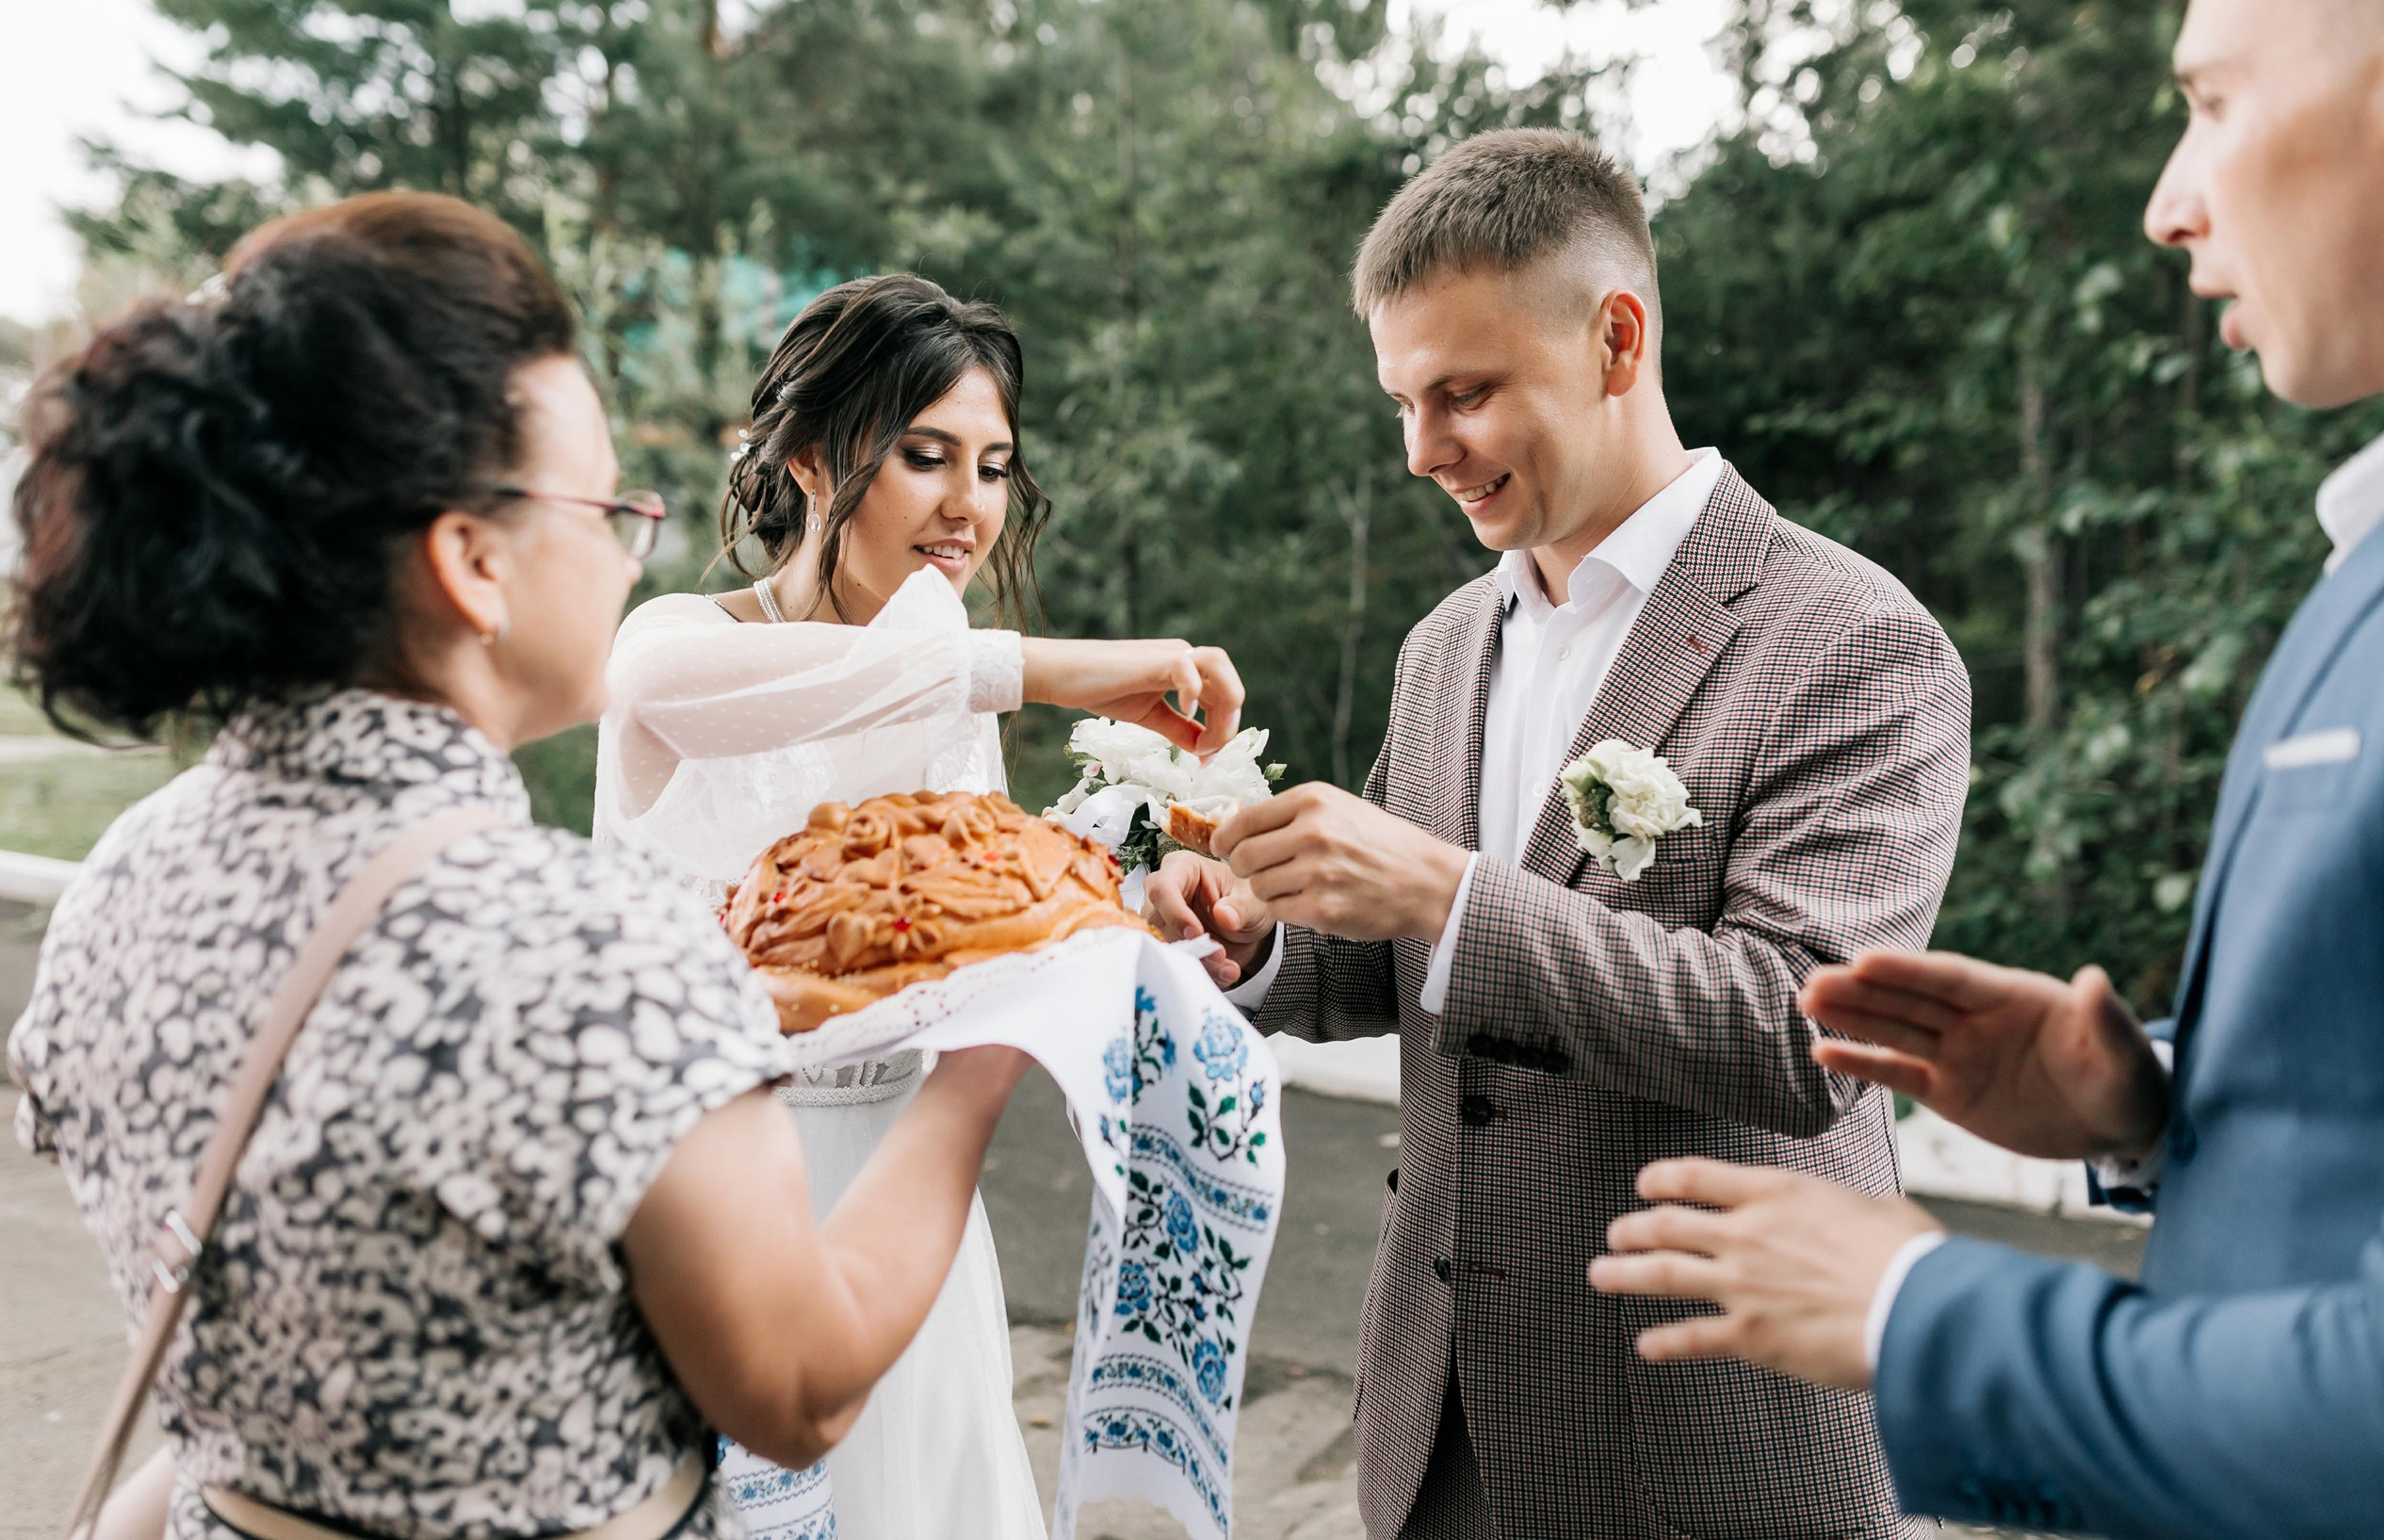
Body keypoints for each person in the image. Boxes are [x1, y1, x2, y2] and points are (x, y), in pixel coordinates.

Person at [5, 193, 1037, 1540]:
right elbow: (798, 1383)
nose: (628, 552)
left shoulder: (121, 880)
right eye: (610, 508)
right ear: (470, 562)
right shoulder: (583, 946)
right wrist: (986, 1064)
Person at [1585, 0, 2384, 1533]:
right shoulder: (2370, 558)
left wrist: (1912, 1312)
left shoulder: (1854, 635)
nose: (2171, 200)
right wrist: (2158, 1108)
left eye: (2214, 102)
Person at [1146, 129, 1971, 1539]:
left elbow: (1805, 1038)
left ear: (1616, 338)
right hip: (1443, 1404)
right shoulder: (1444, 644)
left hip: (1717, 1425)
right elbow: (1401, 959)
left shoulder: (1858, 642)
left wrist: (1451, 892)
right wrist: (1262, 938)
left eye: (1464, 395)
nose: (1422, 453)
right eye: (1404, 403)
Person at [594, 272, 1242, 1540]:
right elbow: (666, 678)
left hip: (911, 1204)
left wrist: (1122, 922)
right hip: (703, 1210)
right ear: (807, 456)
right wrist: (1055, 671)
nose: (968, 506)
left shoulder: (950, 698)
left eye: (995, 467)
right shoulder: (683, 645)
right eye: (925, 455)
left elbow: (970, 951)